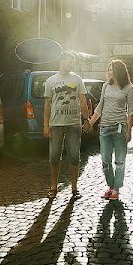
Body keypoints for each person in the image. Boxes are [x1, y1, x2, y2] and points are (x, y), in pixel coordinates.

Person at [44, 52, 91, 200]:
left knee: (74, 157)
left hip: (73, 124)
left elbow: (82, 101)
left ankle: (74, 188)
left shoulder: (77, 79)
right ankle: (53, 186)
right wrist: (46, 125)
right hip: (56, 124)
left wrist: (86, 119)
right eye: (69, 61)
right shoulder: (51, 81)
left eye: (73, 62)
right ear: (62, 61)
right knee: (54, 157)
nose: (71, 64)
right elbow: (47, 105)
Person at [88, 59, 133, 201]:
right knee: (105, 161)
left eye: (112, 69)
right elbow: (99, 107)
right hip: (104, 128)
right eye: (108, 69)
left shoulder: (128, 88)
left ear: (118, 71)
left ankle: (116, 189)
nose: (109, 72)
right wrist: (89, 123)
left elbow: (130, 112)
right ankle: (110, 186)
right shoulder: (105, 86)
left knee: (120, 161)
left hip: (120, 128)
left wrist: (129, 131)